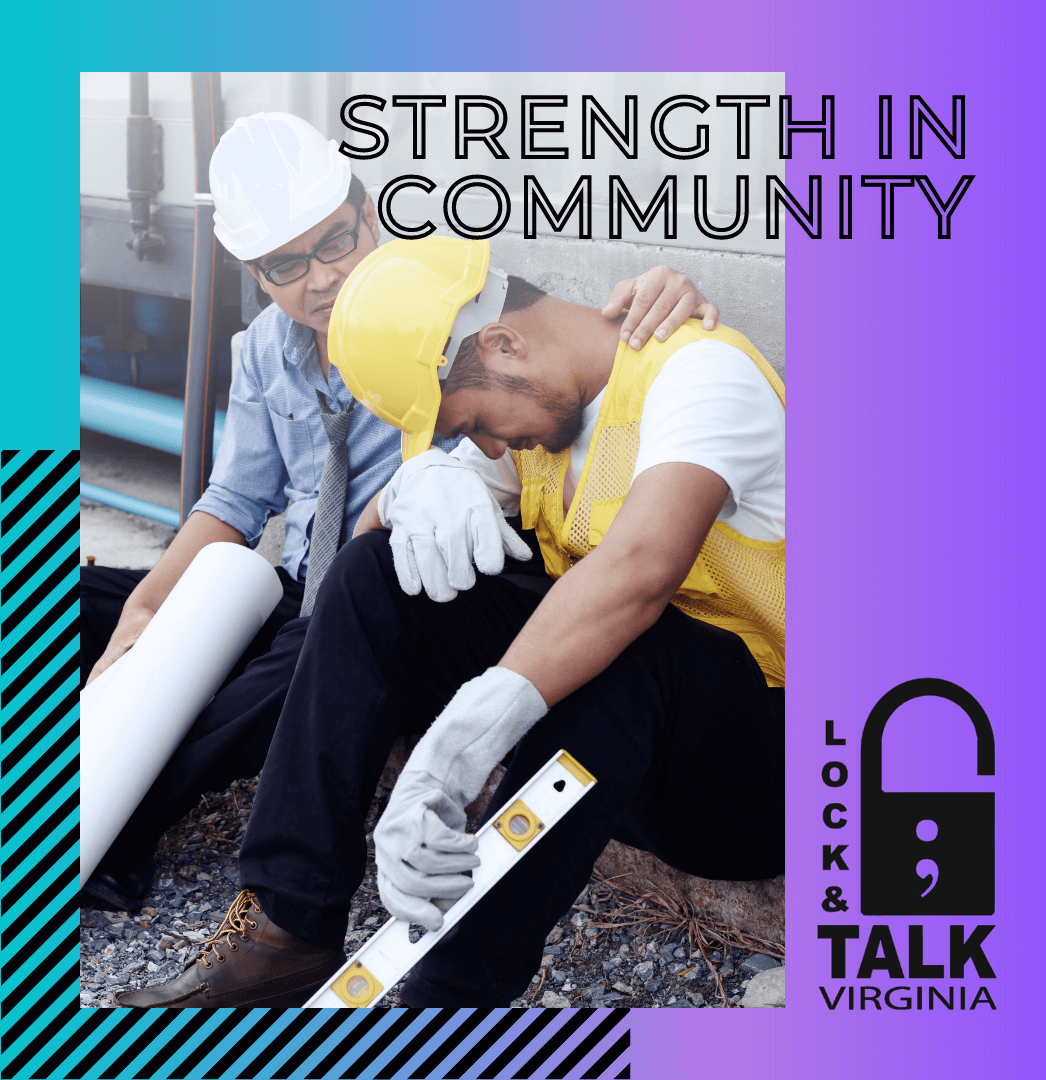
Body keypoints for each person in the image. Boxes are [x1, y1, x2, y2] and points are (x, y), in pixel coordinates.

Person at [114, 234, 784, 1009]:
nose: (490, 445)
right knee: (375, 575)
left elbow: (638, 573)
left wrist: (451, 754)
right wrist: (413, 484)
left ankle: (452, 1000)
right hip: (618, 758)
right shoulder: (538, 410)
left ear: (502, 342)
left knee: (635, 641)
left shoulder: (699, 371)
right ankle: (285, 925)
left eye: (472, 422)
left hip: (756, 777)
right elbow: (367, 568)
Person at [80, 111, 725, 914]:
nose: (319, 277)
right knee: (93, 601)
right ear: (253, 272)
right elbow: (235, 502)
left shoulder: (444, 316)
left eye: (335, 242)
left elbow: (561, 368)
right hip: (295, 582)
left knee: (309, 651)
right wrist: (144, 609)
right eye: (286, 264)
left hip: (388, 594)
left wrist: (664, 290)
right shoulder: (263, 351)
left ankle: (113, 821)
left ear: (370, 212)